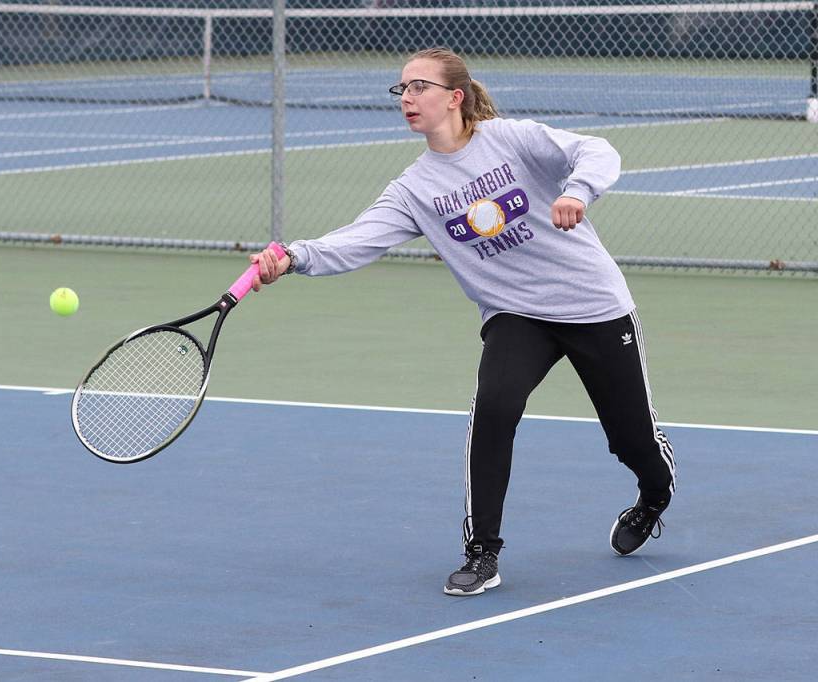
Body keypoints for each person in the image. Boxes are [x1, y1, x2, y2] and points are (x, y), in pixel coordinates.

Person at [249, 47, 675, 596]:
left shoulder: (511, 138)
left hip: (591, 303)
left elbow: (597, 150)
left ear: (455, 97)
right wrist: (294, 255)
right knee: (493, 409)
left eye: (419, 86)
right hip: (514, 315)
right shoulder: (414, 189)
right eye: (401, 89)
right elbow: (358, 240)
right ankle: (483, 553)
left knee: (631, 439)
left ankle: (655, 492)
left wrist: (576, 190)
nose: (407, 98)